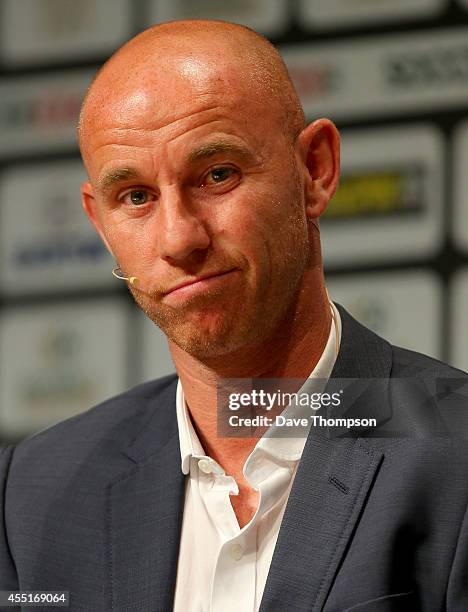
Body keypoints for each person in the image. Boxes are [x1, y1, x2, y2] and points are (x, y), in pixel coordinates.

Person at [1, 20, 467, 612]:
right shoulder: (31, 492)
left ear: (315, 171)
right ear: (100, 223)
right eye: (136, 197)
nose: (179, 238)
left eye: (218, 174)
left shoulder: (455, 452)